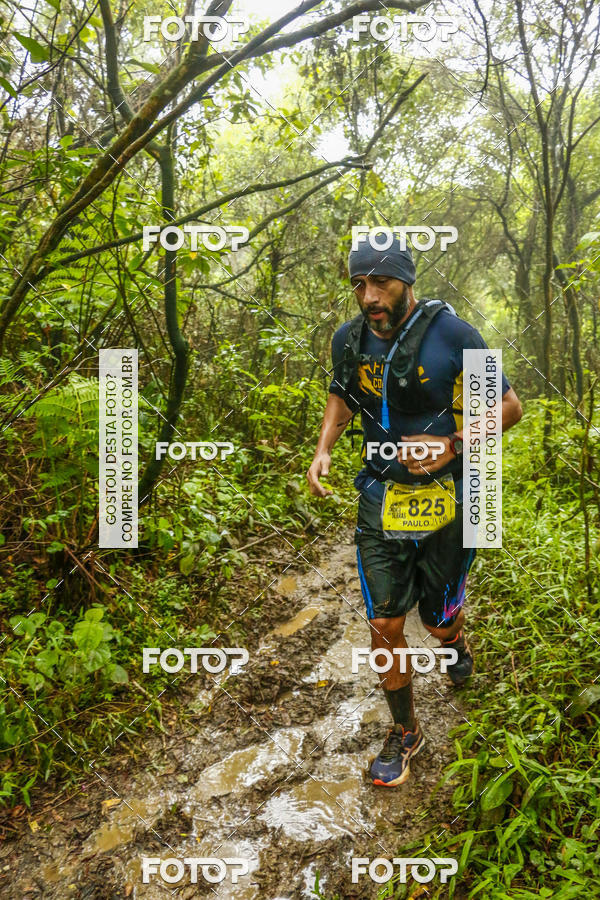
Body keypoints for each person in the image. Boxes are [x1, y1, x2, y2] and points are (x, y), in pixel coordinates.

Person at [307, 235, 522, 787]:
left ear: (406, 280)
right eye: (359, 284)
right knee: (383, 621)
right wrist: (324, 447)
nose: (369, 295)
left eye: (381, 282)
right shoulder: (349, 339)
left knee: (436, 616)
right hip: (380, 496)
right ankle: (405, 731)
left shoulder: (451, 333)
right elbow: (342, 393)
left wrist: (451, 443)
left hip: (450, 497)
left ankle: (452, 640)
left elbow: (508, 407)